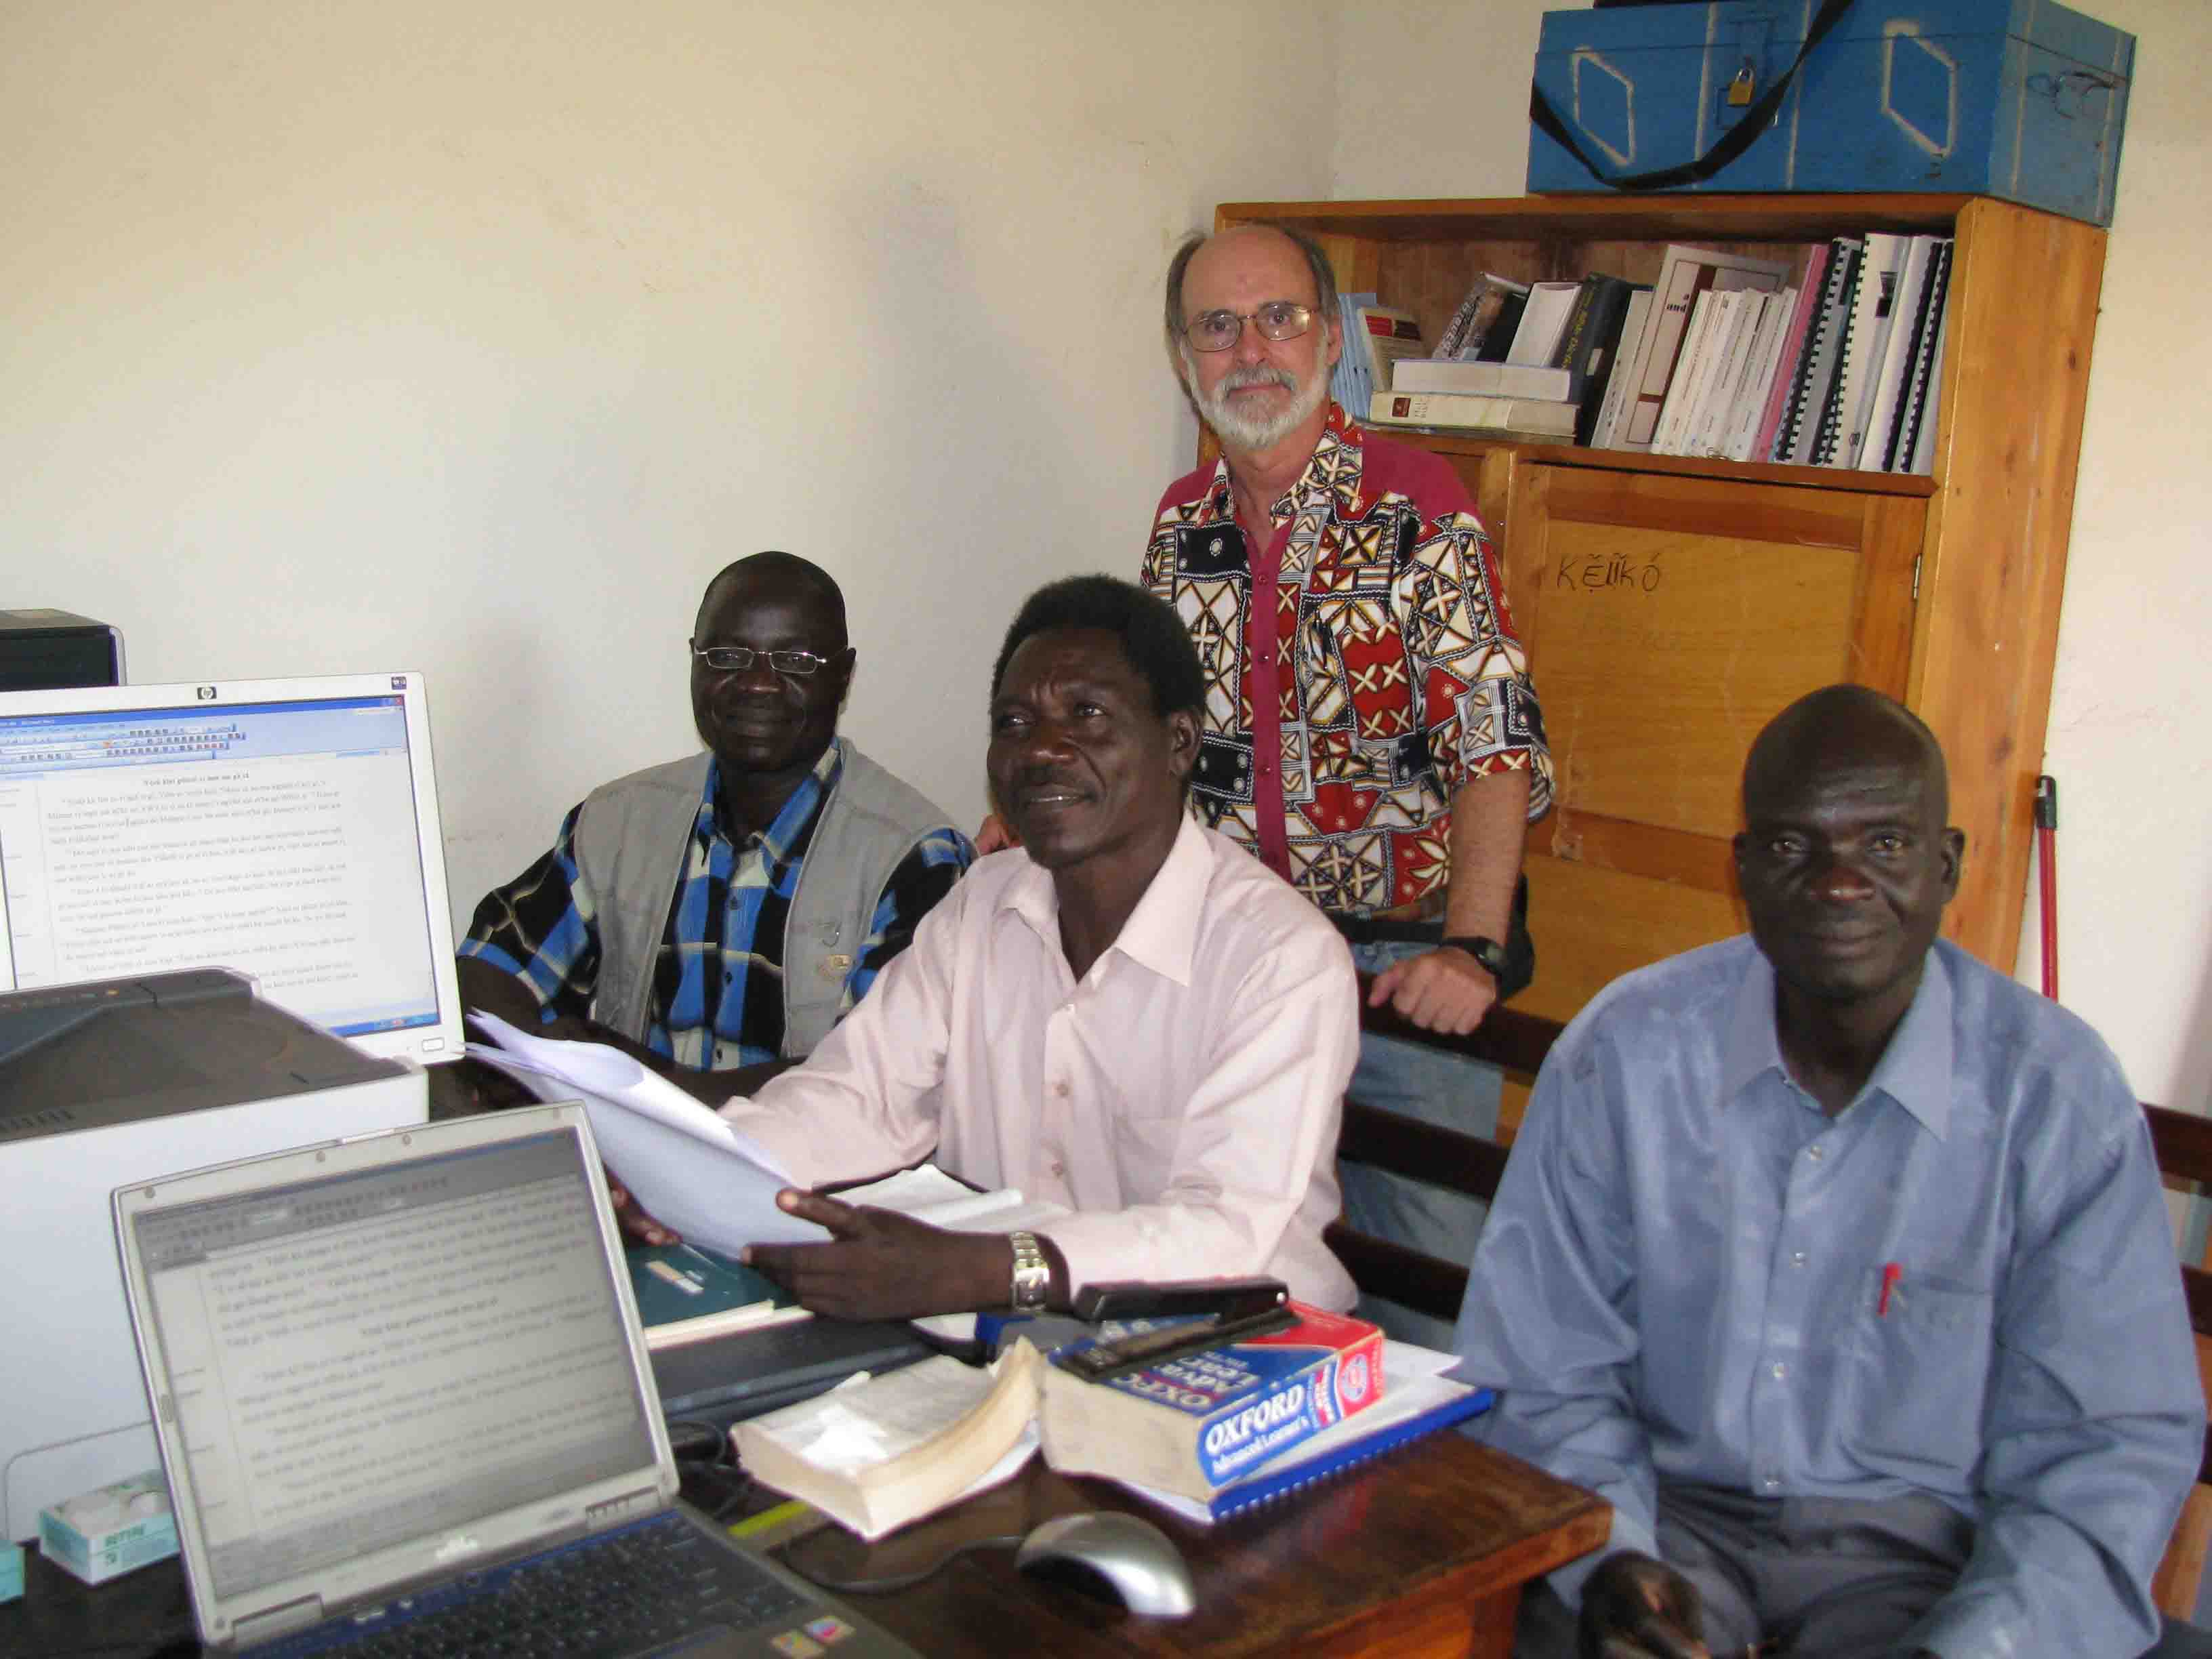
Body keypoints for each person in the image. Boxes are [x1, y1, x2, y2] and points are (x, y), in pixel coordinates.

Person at [1455, 684, 2203, 1658]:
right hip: (1669, 1532)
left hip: (1935, 1571)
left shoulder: (2055, 1095)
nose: (1839, 882)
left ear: (1947, 867)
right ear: (1744, 872)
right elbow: (1542, 1371)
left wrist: (1983, 1644)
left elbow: (2107, 1444)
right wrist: (1611, 1563)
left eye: (1885, 845)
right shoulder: (1627, 1053)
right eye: (1791, 847)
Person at [641, 575, 1358, 1319]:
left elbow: (1226, 1232)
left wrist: (989, 1269)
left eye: (1087, 715)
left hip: (1241, 1353)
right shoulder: (982, 905)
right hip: (1015, 1334)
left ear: (1180, 742)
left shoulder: (1278, 959)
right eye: (1014, 723)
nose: (1044, 750)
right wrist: (686, 1177)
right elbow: (859, 1096)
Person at [1141, 221, 1555, 1338]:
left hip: (1401, 974)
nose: (1251, 350)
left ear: (1327, 338)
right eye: (1217, 327)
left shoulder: (1416, 505)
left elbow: (1494, 741)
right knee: (1243, 1284)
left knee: (1424, 1306)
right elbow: (1155, 742)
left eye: (1278, 316)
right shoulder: (1179, 527)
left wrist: (1470, 947)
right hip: (1239, 973)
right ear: (1184, 360)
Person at [457, 552, 970, 1088]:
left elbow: (876, 1083)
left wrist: (645, 1086)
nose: (758, 684)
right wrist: (547, 1063)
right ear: (695, 662)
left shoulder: (918, 860)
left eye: (794, 661)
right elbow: (486, 969)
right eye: (728, 656)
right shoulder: (619, 821)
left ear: (842, 676)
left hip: (811, 1170)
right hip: (630, 1162)